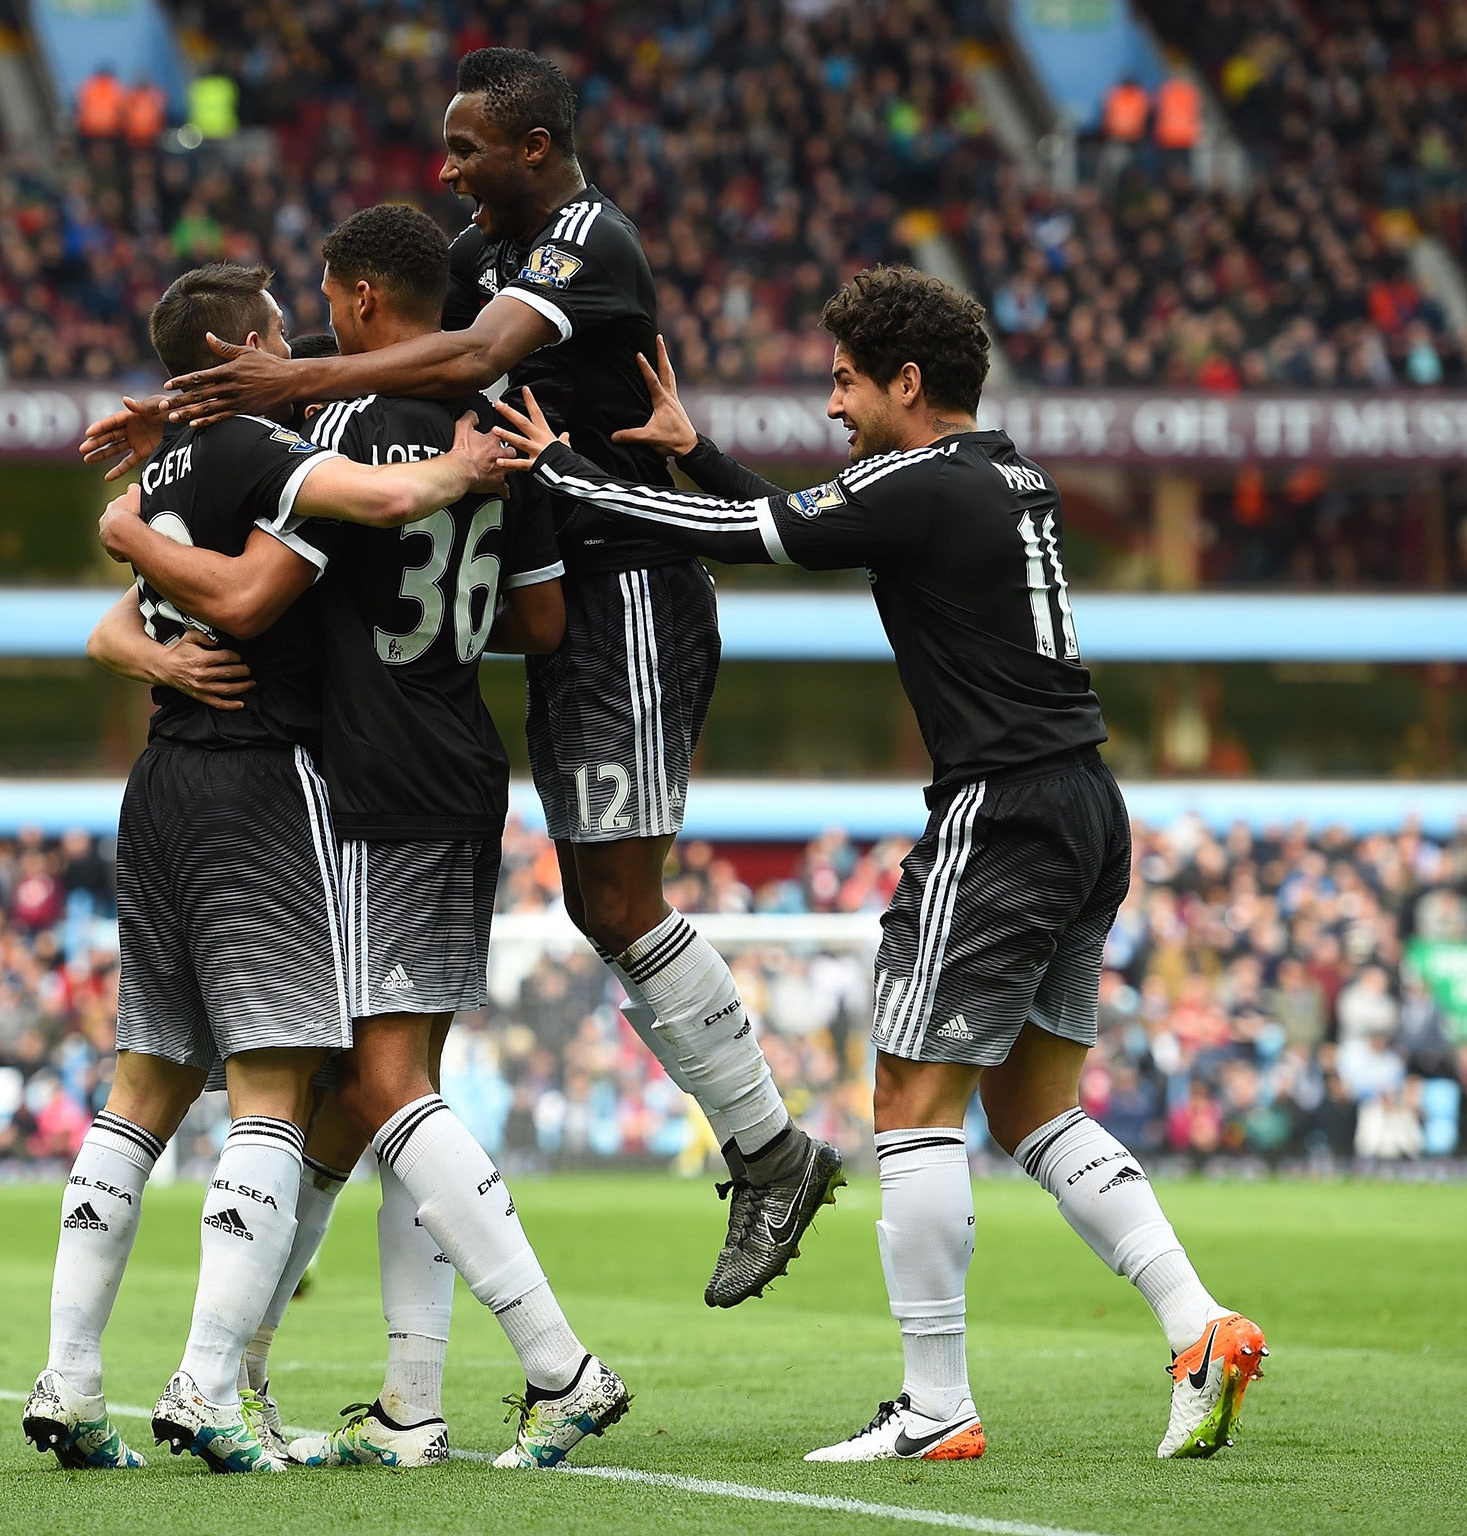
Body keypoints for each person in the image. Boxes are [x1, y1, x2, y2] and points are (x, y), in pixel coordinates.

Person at [79, 45, 841, 1309]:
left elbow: (457, 360)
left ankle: (766, 1150)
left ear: (533, 146)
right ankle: (292, 1335)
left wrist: (271, 387)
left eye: (467, 149)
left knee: (609, 900)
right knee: (379, 1049)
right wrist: (192, 410)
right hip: (542, 599)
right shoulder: (482, 253)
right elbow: (371, 350)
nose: (447, 171)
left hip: (629, 591)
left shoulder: (587, 243)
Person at [490, 265, 1268, 1464]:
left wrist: (566, 476)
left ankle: (934, 1405)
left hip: (999, 811)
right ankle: (1196, 1324)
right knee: (1029, 1106)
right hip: (1082, 802)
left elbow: (761, 538)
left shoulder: (921, 482)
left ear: (909, 383)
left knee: (909, 1105)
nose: (833, 407)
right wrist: (695, 449)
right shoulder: (1003, 471)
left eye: (847, 383)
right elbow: (815, 523)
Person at [91, 207, 629, 1473]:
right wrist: (430, 631)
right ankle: (408, 1406)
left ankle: (560, 1368)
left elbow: (249, 590)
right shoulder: (496, 417)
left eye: (321, 309)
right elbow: (540, 625)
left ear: (356, 298)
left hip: (353, 776)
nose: (307, 336)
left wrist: (146, 507)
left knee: (381, 1091)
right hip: (459, 765)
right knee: (386, 1092)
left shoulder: (321, 429)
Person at [21, 260, 517, 1474]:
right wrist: (470, 465)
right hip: (258, 784)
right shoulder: (254, 452)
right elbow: (377, 513)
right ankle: (208, 1391)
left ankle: (70, 1383)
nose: (294, 349)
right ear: (239, 344)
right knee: (275, 1092)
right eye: (277, 335)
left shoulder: (165, 473)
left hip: (160, 787)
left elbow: (112, 626)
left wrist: (148, 621)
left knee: (139, 1087)